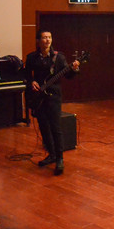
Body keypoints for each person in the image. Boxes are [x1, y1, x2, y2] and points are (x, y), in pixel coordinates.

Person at [23, 30, 80, 176]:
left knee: (56, 127)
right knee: (43, 127)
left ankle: (60, 158)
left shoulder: (58, 57)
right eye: (44, 38)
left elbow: (68, 75)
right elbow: (25, 75)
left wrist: (74, 69)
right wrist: (31, 82)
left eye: (49, 37)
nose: (48, 40)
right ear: (38, 41)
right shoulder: (31, 57)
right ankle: (51, 154)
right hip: (38, 97)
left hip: (53, 97)